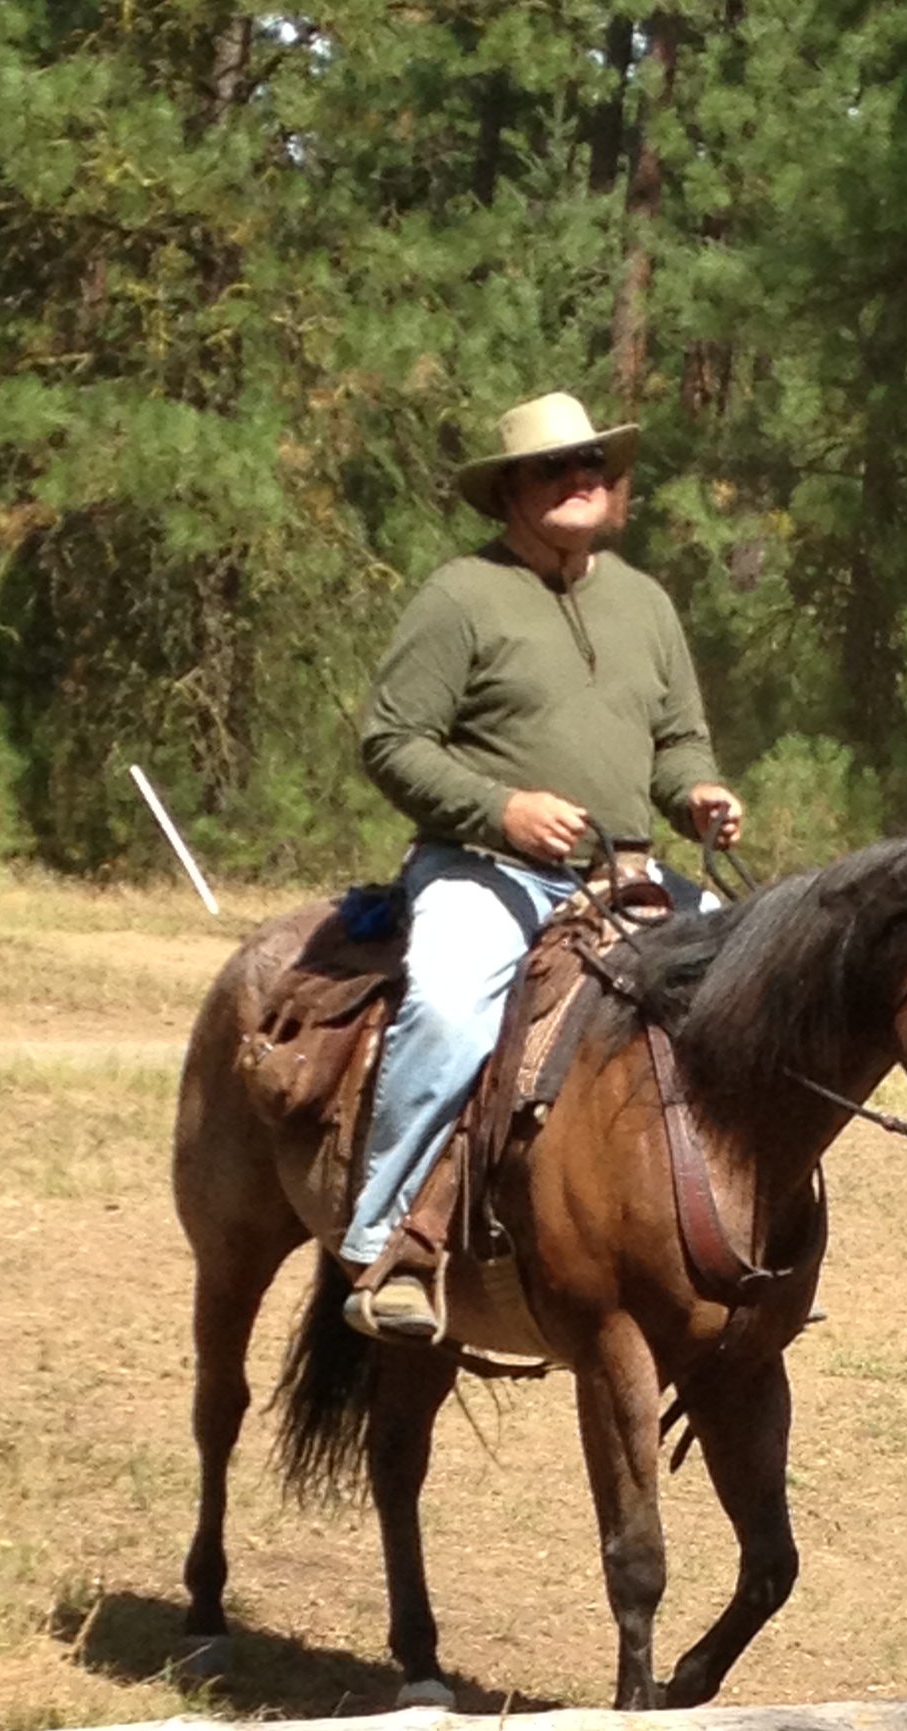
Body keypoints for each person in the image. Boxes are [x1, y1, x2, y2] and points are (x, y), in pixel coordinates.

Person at [339, 389, 744, 1340]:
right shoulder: (459, 596)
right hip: (484, 870)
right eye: (555, 468)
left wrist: (699, 793)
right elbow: (392, 741)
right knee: (445, 1006)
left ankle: (727, 1233)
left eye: (593, 466)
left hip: (626, 874)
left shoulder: (644, 603)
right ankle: (390, 1247)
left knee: (748, 996)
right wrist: (503, 810)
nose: (580, 481)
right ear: (511, 491)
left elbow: (679, 740)